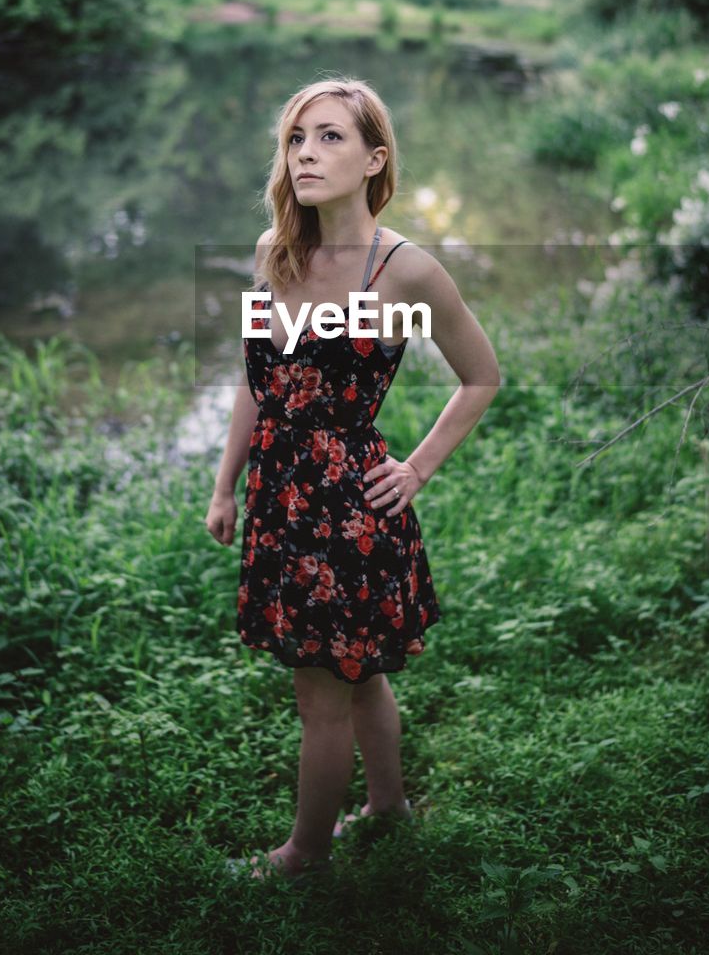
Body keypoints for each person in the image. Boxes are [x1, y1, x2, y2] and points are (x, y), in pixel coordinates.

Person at [206, 77, 501, 881]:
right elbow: (253, 383)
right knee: (357, 674)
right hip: (279, 500)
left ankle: (303, 855)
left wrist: (416, 468)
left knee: (325, 695)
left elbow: (482, 377)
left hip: (349, 505)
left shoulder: (404, 272)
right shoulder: (277, 251)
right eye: (298, 138)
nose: (307, 153)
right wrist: (227, 484)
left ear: (375, 159)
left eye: (330, 137)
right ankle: (389, 809)